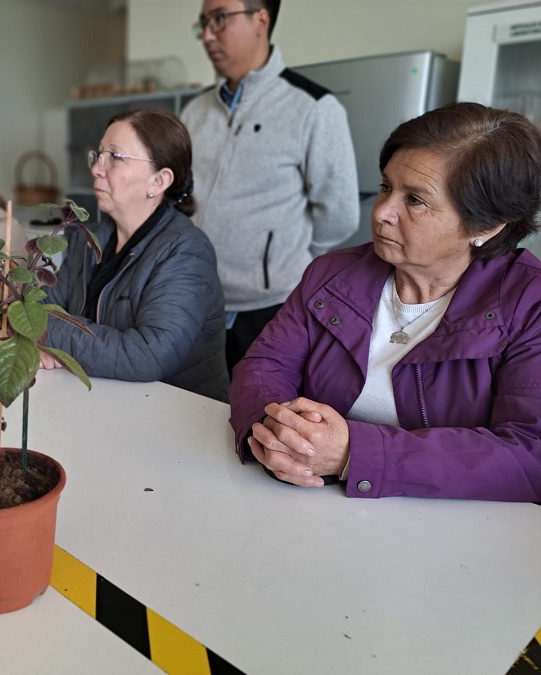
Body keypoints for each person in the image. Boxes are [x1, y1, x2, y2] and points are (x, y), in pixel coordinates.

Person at [231, 102, 541, 502]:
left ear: (485, 225)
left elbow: (528, 454)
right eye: (385, 187)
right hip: (306, 503)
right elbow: (265, 365)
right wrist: (277, 432)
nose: (382, 213)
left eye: (415, 200)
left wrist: (353, 454)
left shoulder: (530, 306)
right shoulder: (331, 275)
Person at [181, 0, 359, 376]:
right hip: (193, 299)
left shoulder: (313, 107)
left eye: (219, 19)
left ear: (260, 19)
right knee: (185, 411)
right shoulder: (194, 111)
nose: (209, 35)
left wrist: (279, 260)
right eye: (203, 24)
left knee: (254, 422)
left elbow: (339, 214)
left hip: (271, 309)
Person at [41, 108, 228, 402]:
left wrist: (53, 339)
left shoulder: (187, 252)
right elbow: (41, 310)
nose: (97, 169)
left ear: (158, 181)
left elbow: (146, 356)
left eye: (114, 157)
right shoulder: (86, 239)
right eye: (99, 155)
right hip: (99, 401)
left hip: (179, 416)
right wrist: (46, 336)